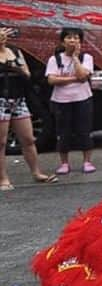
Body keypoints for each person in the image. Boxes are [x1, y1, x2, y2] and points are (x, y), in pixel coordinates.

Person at [0, 28, 55, 190]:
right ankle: (3, 178)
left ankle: (36, 172)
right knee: (1, 142)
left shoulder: (14, 50)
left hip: (18, 98)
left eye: (4, 34)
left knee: (28, 139)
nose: (2, 37)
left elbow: (27, 73)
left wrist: (15, 67)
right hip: (1, 99)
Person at [44, 28, 95, 175]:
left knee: (84, 131)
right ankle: (64, 163)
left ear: (80, 41)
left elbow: (84, 76)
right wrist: (74, 79)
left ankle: (87, 161)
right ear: (62, 41)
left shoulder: (87, 58)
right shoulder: (55, 59)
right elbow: (52, 80)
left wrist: (75, 58)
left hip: (83, 99)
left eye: (76, 38)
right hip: (61, 101)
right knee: (63, 132)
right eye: (69, 37)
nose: (72, 40)